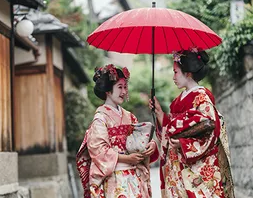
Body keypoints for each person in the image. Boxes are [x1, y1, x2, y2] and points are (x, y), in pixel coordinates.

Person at [149, 49, 235, 198]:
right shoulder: (178, 100)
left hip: (194, 166)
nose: (173, 77)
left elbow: (211, 130)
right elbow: (171, 126)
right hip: (176, 165)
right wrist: (159, 113)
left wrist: (184, 143)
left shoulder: (202, 97)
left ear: (188, 73)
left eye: (176, 72)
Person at [77, 64, 159, 198]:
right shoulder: (100, 118)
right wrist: (126, 158)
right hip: (114, 176)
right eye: (120, 87)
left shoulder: (129, 116)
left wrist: (151, 145)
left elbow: (139, 141)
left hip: (134, 175)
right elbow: (98, 150)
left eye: (125, 87)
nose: (124, 92)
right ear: (108, 91)